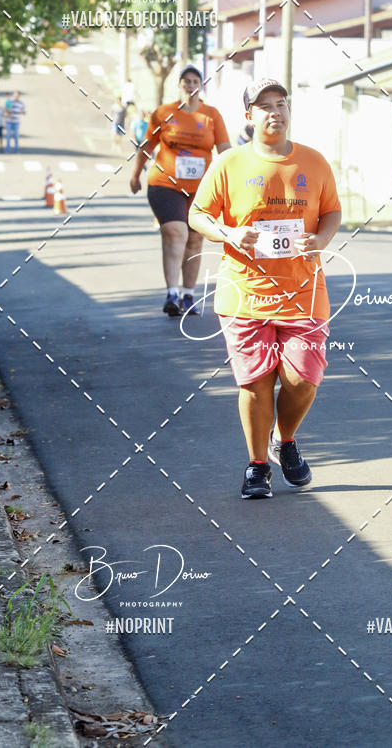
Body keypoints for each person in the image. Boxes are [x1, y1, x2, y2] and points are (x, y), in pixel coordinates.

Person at [189, 78, 342, 499]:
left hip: (303, 292)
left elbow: (331, 210)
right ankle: (257, 466)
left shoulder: (313, 161)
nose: (275, 111)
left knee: (302, 378)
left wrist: (321, 238)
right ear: (249, 116)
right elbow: (198, 214)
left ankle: (284, 439)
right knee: (255, 383)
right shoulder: (229, 163)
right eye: (265, 106)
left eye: (281, 103)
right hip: (245, 291)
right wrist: (229, 233)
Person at [129, 64, 231, 316]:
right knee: (176, 233)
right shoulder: (164, 113)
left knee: (195, 239)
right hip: (165, 184)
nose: (190, 85)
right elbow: (147, 146)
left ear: (201, 85)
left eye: (195, 80)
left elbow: (225, 151)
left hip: (201, 188)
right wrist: (135, 174)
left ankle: (188, 294)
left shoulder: (211, 115)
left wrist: (234, 180)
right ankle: (172, 293)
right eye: (186, 81)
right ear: (180, 85)